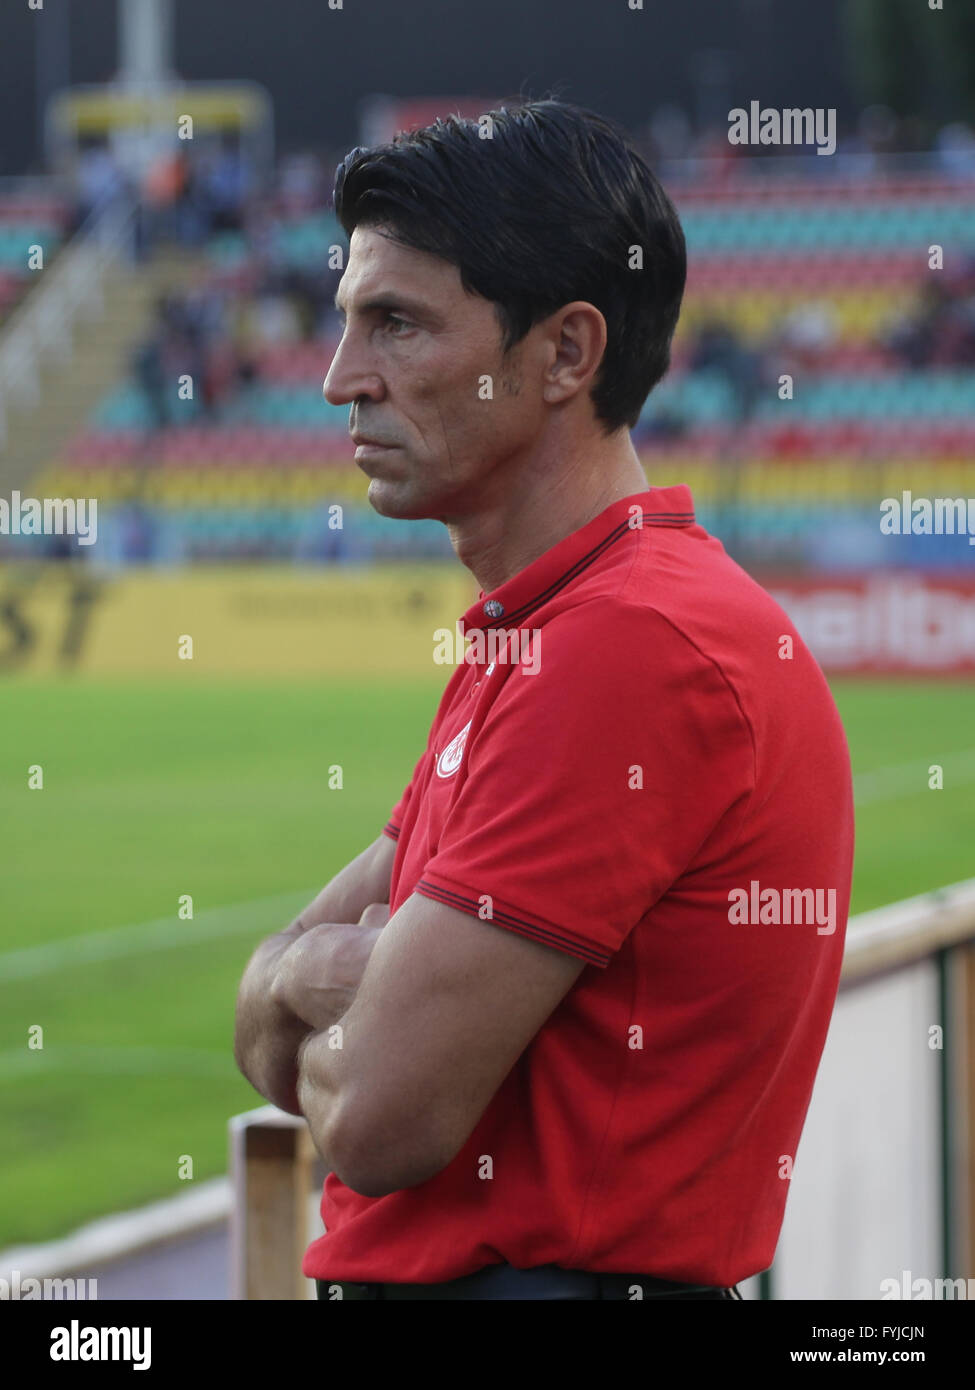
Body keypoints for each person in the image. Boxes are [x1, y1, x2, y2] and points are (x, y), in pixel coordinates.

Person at [233, 100, 855, 1302]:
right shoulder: (546, 626)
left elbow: (373, 1114)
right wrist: (316, 979)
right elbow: (267, 1041)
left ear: (566, 354)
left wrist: (315, 977)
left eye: (396, 324)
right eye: (347, 322)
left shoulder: (625, 645)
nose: (336, 380)